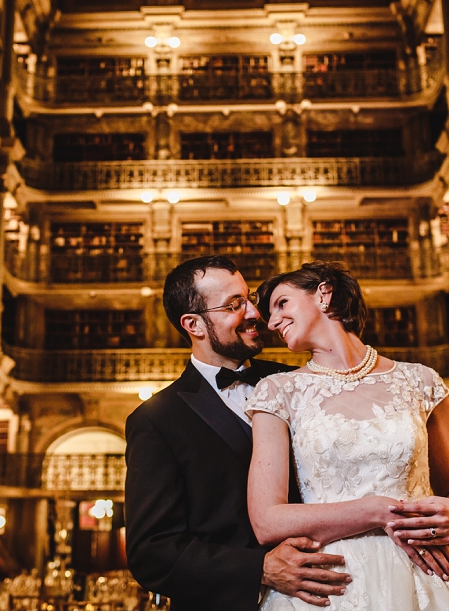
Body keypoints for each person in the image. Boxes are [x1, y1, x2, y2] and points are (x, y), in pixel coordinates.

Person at [245, 262, 449, 610]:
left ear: (324, 294)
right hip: (332, 581)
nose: (273, 322)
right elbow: (267, 521)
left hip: (429, 574)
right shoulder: (277, 392)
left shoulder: (422, 382)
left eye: (281, 304)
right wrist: (378, 511)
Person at [124, 256, 352, 610]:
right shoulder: (156, 420)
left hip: (337, 591)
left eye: (249, 298)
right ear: (194, 325)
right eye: (234, 305)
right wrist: (260, 569)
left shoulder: (301, 383)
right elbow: (152, 552)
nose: (254, 313)